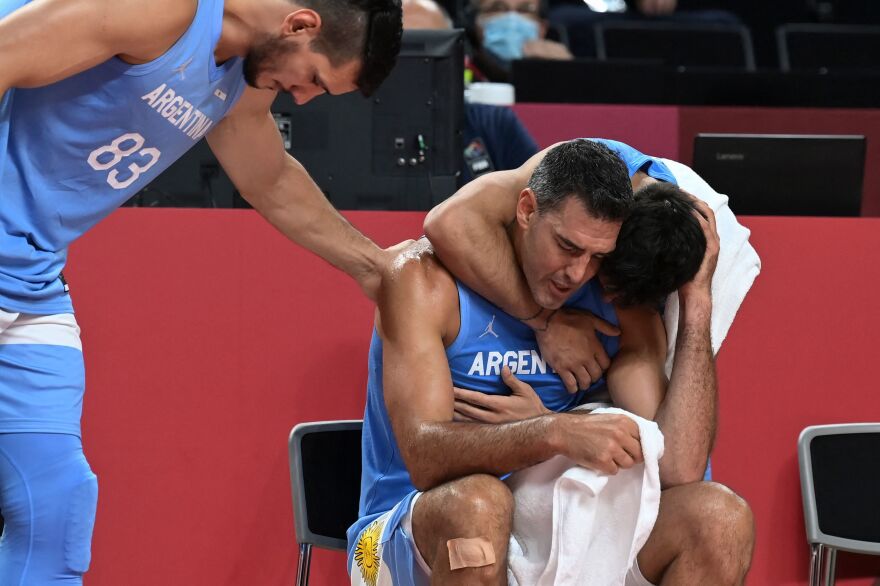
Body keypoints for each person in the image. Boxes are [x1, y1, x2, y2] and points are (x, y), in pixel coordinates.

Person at [0, 0, 403, 582]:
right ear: (301, 24)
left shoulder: (239, 77)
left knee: (55, 505)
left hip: (31, 279)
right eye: (314, 78)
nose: (304, 96)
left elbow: (270, 178)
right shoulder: (163, 10)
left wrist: (379, 270)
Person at [348, 139, 754, 585]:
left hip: (550, 519)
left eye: (597, 257)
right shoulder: (421, 279)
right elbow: (424, 458)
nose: (577, 274)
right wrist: (552, 432)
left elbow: (678, 467)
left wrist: (697, 298)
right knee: (480, 506)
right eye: (566, 245)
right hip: (409, 528)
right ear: (526, 210)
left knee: (720, 518)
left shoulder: (610, 298)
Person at [401, 0, 540, 181]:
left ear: (458, 55)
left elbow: (541, 201)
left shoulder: (494, 125)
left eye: (428, 47)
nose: (415, 62)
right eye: (401, 48)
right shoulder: (352, 124)